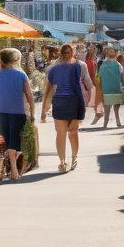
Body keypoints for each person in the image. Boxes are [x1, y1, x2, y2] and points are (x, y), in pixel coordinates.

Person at [0, 48, 35, 181]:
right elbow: (30, 96)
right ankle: (13, 169)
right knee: (15, 140)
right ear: (15, 60)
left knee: (7, 140)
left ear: (2, 60)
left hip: (1, 111)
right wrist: (33, 113)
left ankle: (9, 165)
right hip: (18, 111)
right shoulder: (21, 75)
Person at [41, 43, 89, 172]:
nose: (67, 55)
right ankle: (62, 162)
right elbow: (49, 89)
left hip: (75, 101)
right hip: (60, 102)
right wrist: (44, 110)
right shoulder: (53, 68)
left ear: (73, 53)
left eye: (69, 52)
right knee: (60, 133)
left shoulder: (80, 66)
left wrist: (90, 100)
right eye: (65, 52)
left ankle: (74, 157)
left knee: (73, 132)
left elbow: (88, 83)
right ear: (61, 53)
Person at [97, 46, 124, 129]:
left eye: (112, 52)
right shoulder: (104, 64)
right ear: (107, 53)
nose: (111, 53)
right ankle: (105, 124)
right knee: (107, 109)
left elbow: (122, 76)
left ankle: (117, 122)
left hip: (116, 88)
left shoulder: (118, 64)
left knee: (116, 108)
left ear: (115, 53)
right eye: (110, 52)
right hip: (107, 89)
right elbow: (100, 76)